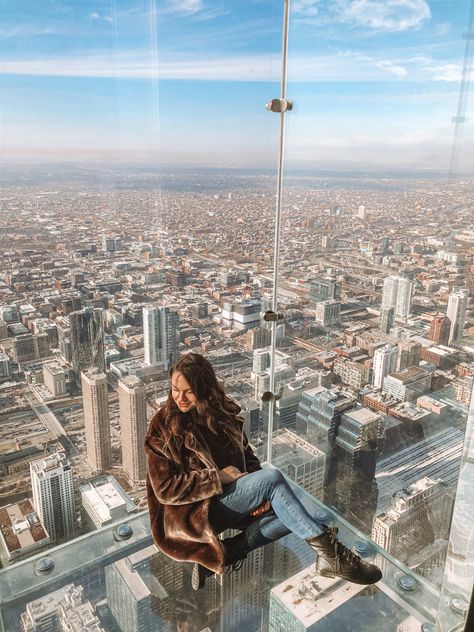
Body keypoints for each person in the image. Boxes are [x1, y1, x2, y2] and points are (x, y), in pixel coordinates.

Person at [145, 353, 382, 590]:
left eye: (188, 391)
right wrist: (217, 478)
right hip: (194, 513)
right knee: (276, 482)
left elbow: (247, 455)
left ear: (204, 388)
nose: (180, 398)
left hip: (231, 500)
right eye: (175, 389)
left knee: (289, 510)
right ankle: (335, 557)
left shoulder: (221, 413)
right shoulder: (164, 427)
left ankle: (229, 553)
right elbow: (165, 490)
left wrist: (259, 492)